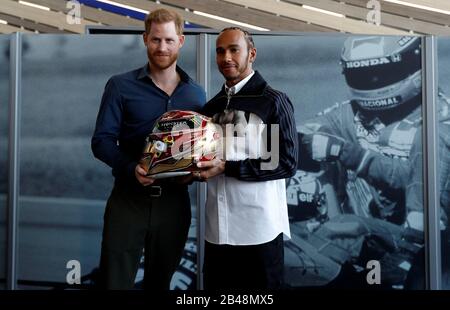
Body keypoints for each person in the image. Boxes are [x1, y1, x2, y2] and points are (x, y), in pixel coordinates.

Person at [295, 35, 450, 288]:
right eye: (364, 75)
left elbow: (411, 177)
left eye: (382, 72)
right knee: (309, 153)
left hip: (434, 244)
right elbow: (301, 132)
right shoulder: (351, 114)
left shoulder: (440, 117)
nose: (374, 82)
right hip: (369, 235)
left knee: (433, 140)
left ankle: (411, 252)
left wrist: (351, 154)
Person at [91, 9, 206, 290]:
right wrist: (132, 169)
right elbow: (101, 141)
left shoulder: (196, 93)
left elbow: (198, 147)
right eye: (155, 40)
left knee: (160, 285)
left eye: (168, 40)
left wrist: (192, 172)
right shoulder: (120, 86)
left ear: (181, 41)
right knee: (113, 283)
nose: (162, 47)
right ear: (145, 39)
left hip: (174, 205)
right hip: (128, 201)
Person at [196, 27, 298, 289]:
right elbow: (203, 159)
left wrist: (225, 168)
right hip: (217, 231)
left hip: (258, 231)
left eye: (234, 49)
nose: (226, 57)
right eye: (220, 51)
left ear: (251, 53)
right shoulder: (212, 107)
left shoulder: (272, 101)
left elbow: (283, 162)